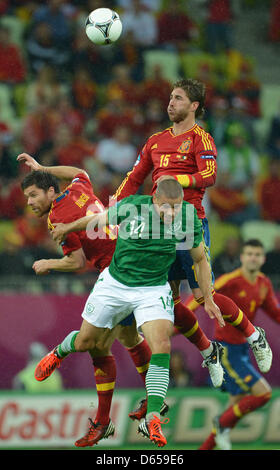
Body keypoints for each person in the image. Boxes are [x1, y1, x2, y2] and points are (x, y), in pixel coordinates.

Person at [18, 152, 224, 446]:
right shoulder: (91, 196)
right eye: (27, 197)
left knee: (142, 338)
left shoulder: (61, 210)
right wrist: (46, 177)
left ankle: (127, 416)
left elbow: (76, 260)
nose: (29, 202)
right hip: (118, 272)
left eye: (33, 195)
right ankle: (104, 395)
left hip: (137, 272)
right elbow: (89, 195)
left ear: (52, 190)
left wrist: (48, 262)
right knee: (112, 341)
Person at [110, 77, 272, 379]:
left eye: (178, 98)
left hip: (189, 222)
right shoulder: (155, 141)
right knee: (168, 303)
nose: (171, 102)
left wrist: (176, 182)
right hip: (158, 228)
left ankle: (254, 336)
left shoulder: (200, 138)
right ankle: (210, 351)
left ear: (194, 105)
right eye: (170, 97)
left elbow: (209, 175)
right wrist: (115, 209)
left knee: (201, 294)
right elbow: (134, 177)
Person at [186, 239, 279, 450]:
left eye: (257, 254)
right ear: (243, 257)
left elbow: (275, 312)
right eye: (249, 254)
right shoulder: (230, 280)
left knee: (234, 405)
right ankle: (220, 424)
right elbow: (200, 297)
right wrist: (180, 319)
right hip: (227, 349)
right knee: (263, 394)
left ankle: (211, 441)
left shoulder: (264, 283)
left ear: (263, 259)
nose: (253, 257)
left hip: (244, 349)